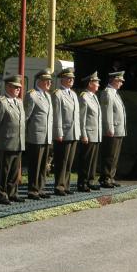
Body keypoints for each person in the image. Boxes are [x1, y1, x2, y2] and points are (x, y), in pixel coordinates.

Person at [0, 75, 26, 204]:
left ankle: (12, 193)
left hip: (18, 141)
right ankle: (2, 194)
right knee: (4, 170)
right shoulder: (1, 102)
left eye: (19, 87)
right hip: (6, 141)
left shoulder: (19, 102)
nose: (18, 89)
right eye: (15, 87)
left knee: (14, 170)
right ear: (8, 87)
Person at [24, 69, 54, 199]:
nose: (49, 83)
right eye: (47, 81)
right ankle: (33, 190)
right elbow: (25, 118)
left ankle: (41, 188)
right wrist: (25, 136)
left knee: (43, 164)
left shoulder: (48, 96)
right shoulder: (32, 95)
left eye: (50, 81)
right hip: (35, 136)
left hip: (47, 136)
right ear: (39, 81)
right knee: (35, 164)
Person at [52, 67, 80, 196]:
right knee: (61, 161)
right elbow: (57, 115)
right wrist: (58, 132)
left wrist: (78, 132)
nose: (71, 80)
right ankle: (59, 186)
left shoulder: (73, 94)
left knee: (69, 161)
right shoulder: (58, 94)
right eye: (68, 78)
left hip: (73, 132)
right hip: (63, 133)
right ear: (62, 79)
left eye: (72, 78)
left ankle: (66, 185)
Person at [99, 71, 127, 188]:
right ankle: (105, 178)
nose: (121, 83)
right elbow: (107, 112)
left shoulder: (115, 93)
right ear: (114, 80)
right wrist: (109, 128)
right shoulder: (108, 93)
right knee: (109, 155)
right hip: (112, 130)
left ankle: (111, 177)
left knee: (115, 156)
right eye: (120, 81)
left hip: (118, 129)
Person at [77, 71, 102, 192]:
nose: (98, 84)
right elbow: (82, 118)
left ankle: (91, 180)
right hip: (88, 133)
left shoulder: (94, 96)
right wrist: (83, 134)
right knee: (86, 160)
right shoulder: (84, 97)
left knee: (93, 160)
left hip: (95, 134)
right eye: (96, 82)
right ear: (90, 83)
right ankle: (83, 183)